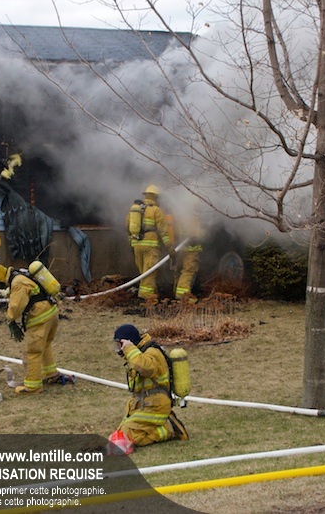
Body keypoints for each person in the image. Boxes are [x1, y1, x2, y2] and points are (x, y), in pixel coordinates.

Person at [0, 261, 72, 395]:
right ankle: (51, 374)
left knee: (32, 351)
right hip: (51, 313)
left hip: (40, 318)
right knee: (45, 345)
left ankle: (32, 387)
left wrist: (10, 319)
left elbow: (16, 307)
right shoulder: (20, 274)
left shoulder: (17, 283)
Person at [110, 324, 188, 453]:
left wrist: (130, 349)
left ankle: (170, 428)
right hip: (144, 405)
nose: (119, 349)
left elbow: (146, 368)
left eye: (120, 344)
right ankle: (166, 426)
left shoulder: (151, 352)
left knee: (128, 437)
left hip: (155, 405)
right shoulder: (138, 354)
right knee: (119, 434)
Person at [125, 185, 174, 302]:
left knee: (145, 273)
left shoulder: (135, 210)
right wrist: (169, 247)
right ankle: (147, 299)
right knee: (149, 273)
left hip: (137, 246)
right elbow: (163, 231)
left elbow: (127, 227)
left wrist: (132, 243)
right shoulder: (156, 210)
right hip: (151, 247)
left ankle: (153, 294)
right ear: (156, 197)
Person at [174, 209, 204, 302]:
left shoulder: (181, 214)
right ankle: (183, 295)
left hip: (181, 249)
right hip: (191, 250)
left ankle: (176, 292)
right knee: (188, 271)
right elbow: (196, 234)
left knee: (179, 271)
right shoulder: (193, 217)